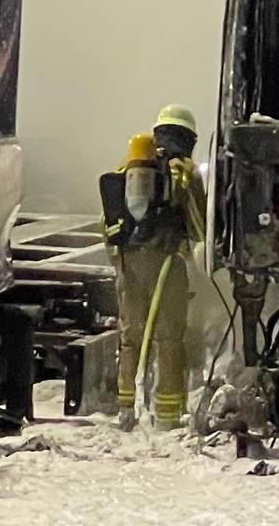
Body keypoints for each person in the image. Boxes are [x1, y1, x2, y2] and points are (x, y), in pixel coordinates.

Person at [100, 104, 206, 427]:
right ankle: (168, 413)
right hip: (167, 261)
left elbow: (108, 217)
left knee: (130, 334)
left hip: (128, 262)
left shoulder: (129, 164)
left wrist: (119, 260)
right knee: (169, 336)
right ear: (189, 136)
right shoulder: (184, 169)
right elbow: (198, 224)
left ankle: (125, 409)